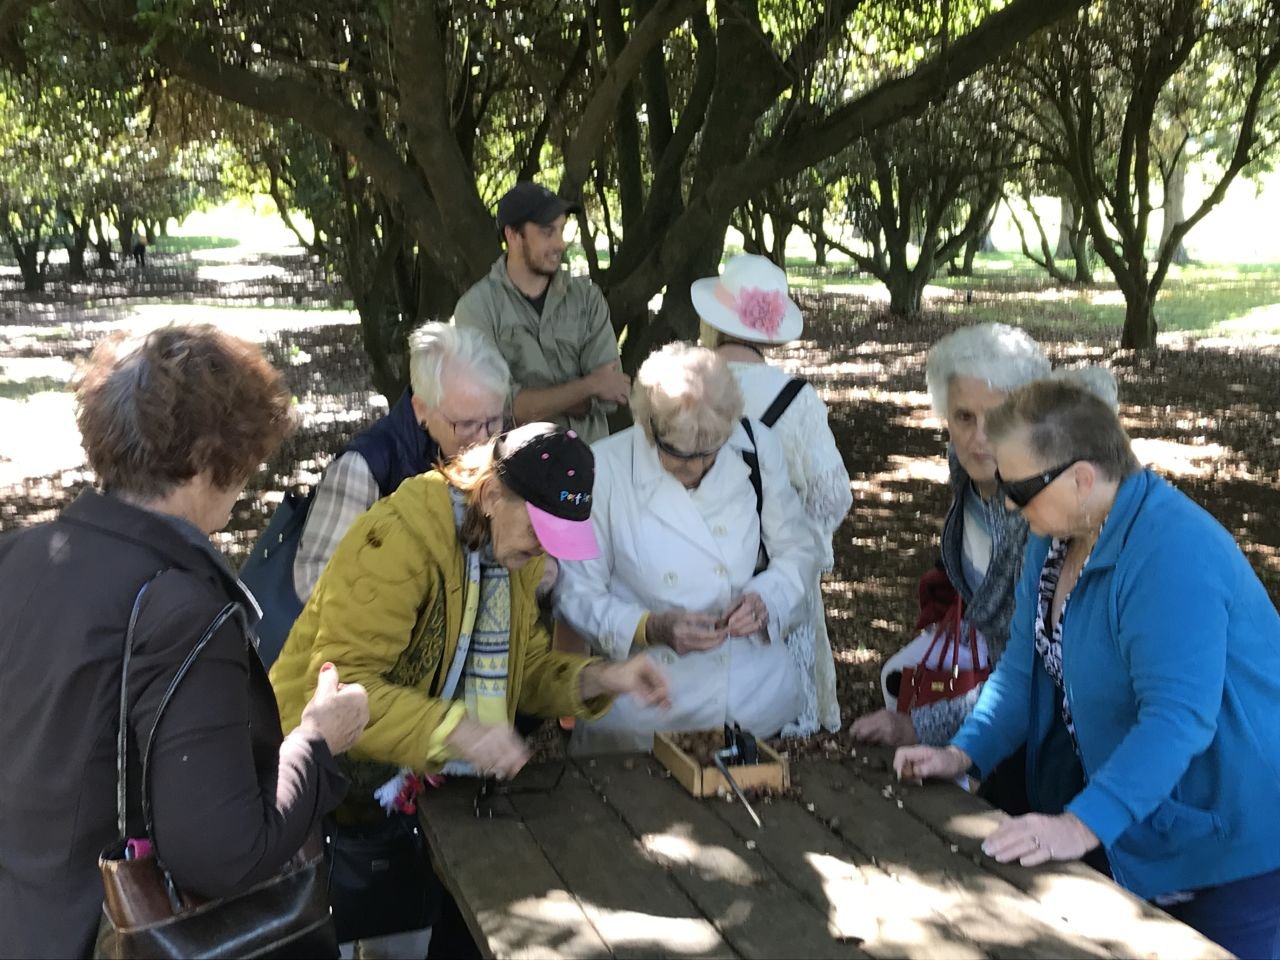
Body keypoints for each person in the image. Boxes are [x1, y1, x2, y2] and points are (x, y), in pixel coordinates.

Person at [0, 325, 369, 959]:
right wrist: (317, 742)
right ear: (206, 455)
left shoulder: (18, 557)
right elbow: (222, 854)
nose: (250, 476)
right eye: (248, 454)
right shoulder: (181, 610)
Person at [894, 379, 1280, 960]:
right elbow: (1021, 669)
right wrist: (963, 752)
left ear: (1081, 477)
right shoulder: (1053, 540)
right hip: (1143, 822)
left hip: (1237, 839)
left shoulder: (1171, 552)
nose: (1007, 504)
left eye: (1019, 488)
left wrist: (1080, 825)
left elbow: (1177, 719)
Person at [270, 422, 669, 954]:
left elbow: (520, 671)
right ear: (490, 493)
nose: (546, 556)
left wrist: (601, 676)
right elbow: (344, 693)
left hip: (412, 794)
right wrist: (457, 730)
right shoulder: (401, 536)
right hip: (318, 793)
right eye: (540, 534)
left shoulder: (514, 556)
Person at [554, 342, 821, 753]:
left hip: (750, 702)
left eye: (708, 454)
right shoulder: (604, 469)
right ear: (649, 427)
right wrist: (648, 627)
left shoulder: (755, 447)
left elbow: (798, 552)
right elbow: (576, 593)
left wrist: (768, 598)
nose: (695, 468)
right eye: (679, 457)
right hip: (647, 707)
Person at [850, 323, 1052, 811]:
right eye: (964, 416)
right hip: (995, 722)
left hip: (1048, 734)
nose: (980, 438)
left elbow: (1031, 673)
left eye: (1000, 416)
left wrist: (918, 725)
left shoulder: (1044, 511)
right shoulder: (966, 472)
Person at [695, 254, 851, 735]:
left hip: (689, 571)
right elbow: (833, 494)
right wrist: (786, 529)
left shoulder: (679, 387)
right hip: (772, 582)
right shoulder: (795, 400)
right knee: (778, 721)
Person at [294, 322, 510, 600]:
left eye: (493, 420)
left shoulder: (501, 448)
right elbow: (313, 578)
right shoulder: (364, 467)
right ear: (421, 408)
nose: (484, 439)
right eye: (466, 424)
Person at [454, 181, 629, 445]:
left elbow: (609, 396)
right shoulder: (476, 309)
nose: (560, 243)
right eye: (548, 233)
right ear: (513, 235)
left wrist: (532, 401)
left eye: (561, 231)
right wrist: (589, 385)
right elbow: (497, 409)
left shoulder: (587, 299)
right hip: (515, 476)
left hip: (590, 465)